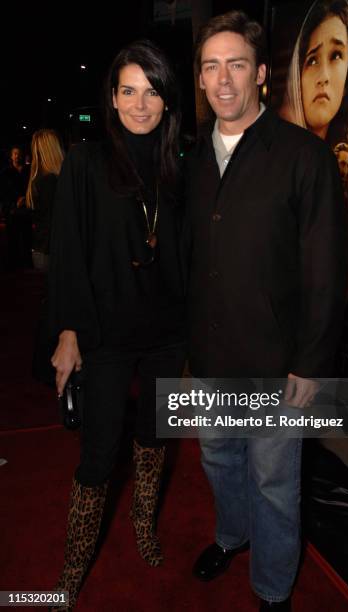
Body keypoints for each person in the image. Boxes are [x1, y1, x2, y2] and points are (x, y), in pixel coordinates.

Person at [186, 10, 347, 611]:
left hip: (279, 365)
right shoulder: (191, 159)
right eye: (210, 66)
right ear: (200, 79)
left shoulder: (304, 157)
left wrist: (309, 364)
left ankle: (273, 586)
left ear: (259, 75)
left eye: (235, 65)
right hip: (210, 359)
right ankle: (233, 537)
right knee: (217, 458)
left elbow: (326, 269)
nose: (223, 79)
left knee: (275, 482)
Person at [46, 40, 185, 610]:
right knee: (99, 453)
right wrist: (68, 333)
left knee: (154, 438)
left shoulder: (183, 165)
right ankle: (73, 564)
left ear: (167, 100)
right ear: (112, 97)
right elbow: (69, 251)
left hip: (167, 333)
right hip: (104, 332)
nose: (141, 103)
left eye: (152, 91)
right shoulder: (86, 161)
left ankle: (143, 526)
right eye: (129, 90)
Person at [280, 0, 348, 175]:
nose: (323, 77)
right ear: (297, 76)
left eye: (336, 56)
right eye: (312, 60)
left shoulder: (346, 164)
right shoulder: (278, 157)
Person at [26, 129, 65, 271]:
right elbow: (54, 220)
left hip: (41, 247)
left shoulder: (39, 178)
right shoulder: (50, 180)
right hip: (52, 249)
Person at [0, 145, 31, 268]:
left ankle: (27, 263)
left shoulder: (28, 170)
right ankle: (13, 263)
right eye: (15, 154)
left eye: (19, 153)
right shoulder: (5, 172)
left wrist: (25, 199)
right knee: (12, 239)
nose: (17, 156)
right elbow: (3, 192)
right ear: (11, 156)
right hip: (12, 210)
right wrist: (14, 202)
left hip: (26, 209)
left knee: (27, 238)